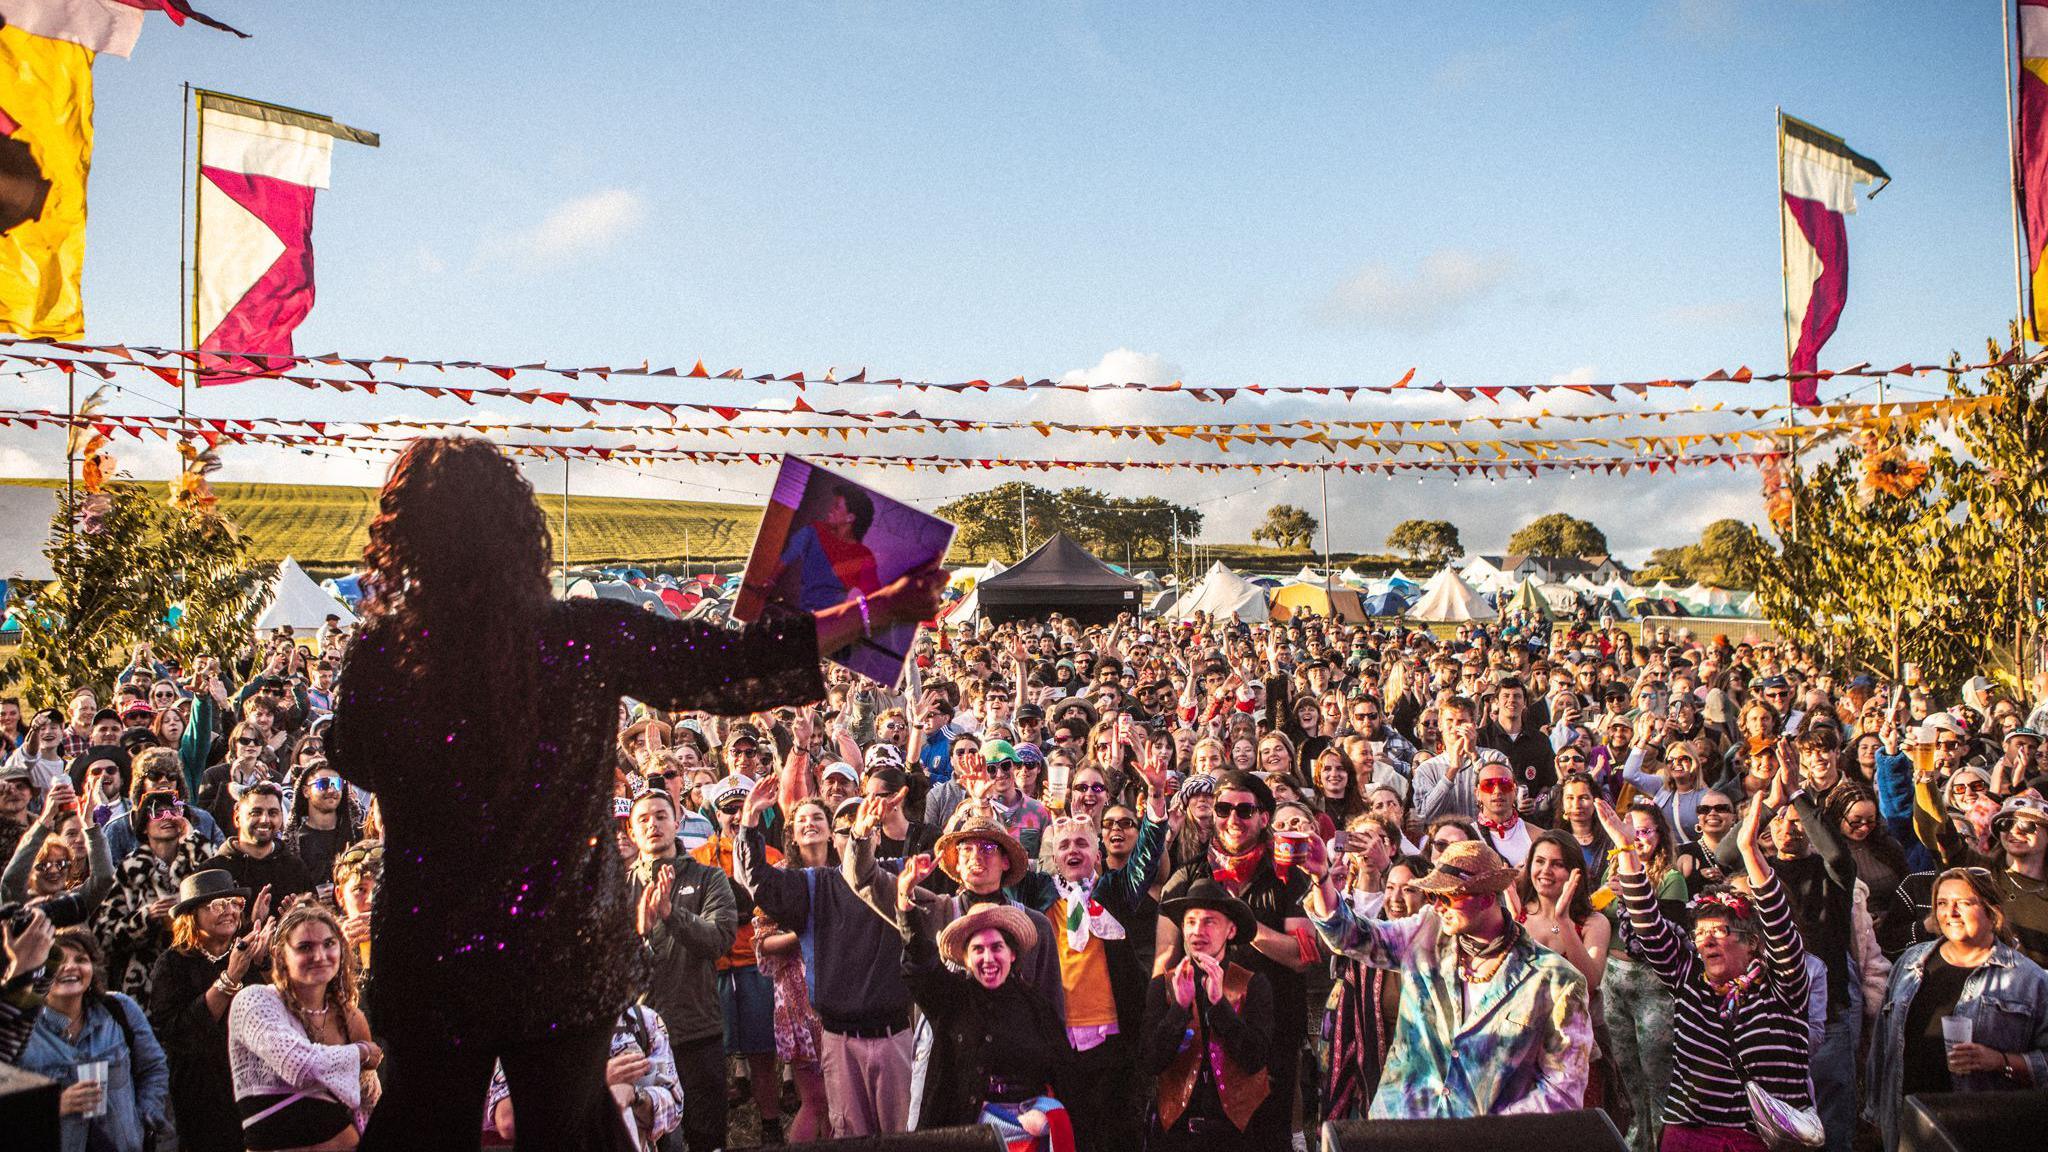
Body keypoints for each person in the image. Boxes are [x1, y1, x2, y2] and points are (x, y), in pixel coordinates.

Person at [326, 437, 942, 1147]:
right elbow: (730, 666)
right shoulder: (581, 636)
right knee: (568, 1131)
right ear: (519, 531)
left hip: (429, 954)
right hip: (558, 953)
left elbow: (354, 757)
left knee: (420, 1129)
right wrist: (878, 608)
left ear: (405, 536)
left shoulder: (381, 656)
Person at [1303, 837, 1592, 1117]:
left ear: (1487, 899)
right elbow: (1351, 937)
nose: (1437, 906)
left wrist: (1486, 1134)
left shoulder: (1556, 980)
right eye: (1432, 896)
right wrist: (1321, 878)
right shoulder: (1425, 931)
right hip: (1403, 1129)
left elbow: (1562, 1092)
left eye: (1448, 896)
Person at [1608, 791, 1813, 1152]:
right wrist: (1626, 851)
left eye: (1720, 931)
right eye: (1701, 933)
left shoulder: (1783, 986)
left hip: (1760, 1137)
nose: (1707, 941)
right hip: (1689, 1134)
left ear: (1751, 942)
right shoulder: (1690, 981)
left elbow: (1780, 928)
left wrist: (1749, 853)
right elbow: (1649, 927)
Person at [736, 780, 917, 1139]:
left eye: (865, 829)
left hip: (894, 1035)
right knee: (849, 1135)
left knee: (902, 1138)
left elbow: (954, 869)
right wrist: (749, 820)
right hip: (839, 1039)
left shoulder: (899, 876)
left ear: (877, 837)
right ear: (834, 840)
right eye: (847, 831)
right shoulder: (813, 885)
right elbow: (758, 881)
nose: (856, 837)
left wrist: (976, 806)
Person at [893, 856, 1076, 1142]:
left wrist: (1045, 1113)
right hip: (964, 1138)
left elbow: (1064, 1077)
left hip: (1028, 1137)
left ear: (1012, 953)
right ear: (965, 958)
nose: (988, 958)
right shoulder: (950, 999)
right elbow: (919, 963)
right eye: (978, 949)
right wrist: (905, 900)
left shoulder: (1036, 1007)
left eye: (996, 947)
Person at [1866, 867, 2048, 1152]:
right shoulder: (1912, 963)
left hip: (1981, 1130)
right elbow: (1883, 1043)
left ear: (1993, 912)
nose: (1950, 912)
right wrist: (1877, 1112)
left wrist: (2000, 1061)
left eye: (1963, 903)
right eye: (1942, 903)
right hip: (1909, 1124)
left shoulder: (2029, 980)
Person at [625, 786, 738, 1152]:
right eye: (643, 819)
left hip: (696, 1030)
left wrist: (673, 917)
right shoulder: (620, 887)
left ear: (677, 822)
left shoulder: (709, 878)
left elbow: (719, 939)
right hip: (638, 1042)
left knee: (706, 1138)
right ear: (631, 831)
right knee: (654, 1142)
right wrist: (641, 933)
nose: (653, 824)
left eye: (661, 815)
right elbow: (608, 966)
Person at [229, 901, 381, 1150]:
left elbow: (368, 1100)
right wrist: (362, 1052)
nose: (320, 956)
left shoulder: (350, 1017)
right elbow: (299, 1065)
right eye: (305, 947)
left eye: (329, 944)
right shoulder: (254, 1001)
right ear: (280, 954)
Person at [1141, 878, 1274, 1152]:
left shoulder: (1253, 984)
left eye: (1209, 921)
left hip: (1238, 1134)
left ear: (1231, 929)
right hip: (1177, 1133)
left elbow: (1255, 1059)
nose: (1197, 931)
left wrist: (1218, 1004)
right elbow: (1150, 1061)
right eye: (1190, 921)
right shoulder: (1163, 984)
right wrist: (1179, 1009)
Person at [146, 869, 275, 1152]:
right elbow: (180, 1033)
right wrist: (229, 980)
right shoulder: (172, 964)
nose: (229, 911)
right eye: (218, 905)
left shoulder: (245, 952)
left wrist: (265, 964)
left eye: (234, 903)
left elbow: (275, 1012)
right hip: (202, 1093)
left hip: (251, 1085)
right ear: (192, 915)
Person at [18, 927, 171, 1152]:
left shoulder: (120, 1009)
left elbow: (154, 1068)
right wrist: (54, 1106)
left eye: (81, 959)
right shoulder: (18, 1029)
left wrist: (143, 1121)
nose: (70, 966)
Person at [772, 482, 883, 614]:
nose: (830, 509)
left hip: (830, 624)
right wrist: (769, 582)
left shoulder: (863, 555)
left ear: (850, 517)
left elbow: (874, 599)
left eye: (836, 507)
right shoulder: (813, 531)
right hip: (798, 613)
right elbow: (785, 559)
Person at [211, 781, 317, 914]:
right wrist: (252, 924)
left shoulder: (295, 868)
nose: (265, 819)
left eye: (273, 813)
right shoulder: (215, 870)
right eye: (256, 813)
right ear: (237, 818)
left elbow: (314, 918)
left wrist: (293, 921)